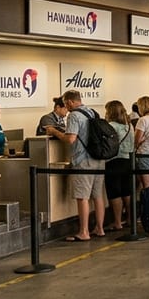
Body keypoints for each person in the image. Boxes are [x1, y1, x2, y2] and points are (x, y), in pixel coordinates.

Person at [45, 91, 107, 241]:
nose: (66, 107)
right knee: (97, 195)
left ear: (71, 102)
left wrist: (54, 131)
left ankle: (84, 232)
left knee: (82, 197)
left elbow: (70, 138)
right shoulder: (92, 112)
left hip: (83, 160)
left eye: (66, 103)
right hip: (98, 159)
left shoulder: (74, 115)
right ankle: (100, 228)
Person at [102, 100, 134, 231]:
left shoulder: (110, 126)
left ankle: (117, 221)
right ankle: (130, 219)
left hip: (113, 161)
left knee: (115, 192)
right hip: (128, 160)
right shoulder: (129, 126)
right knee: (127, 191)